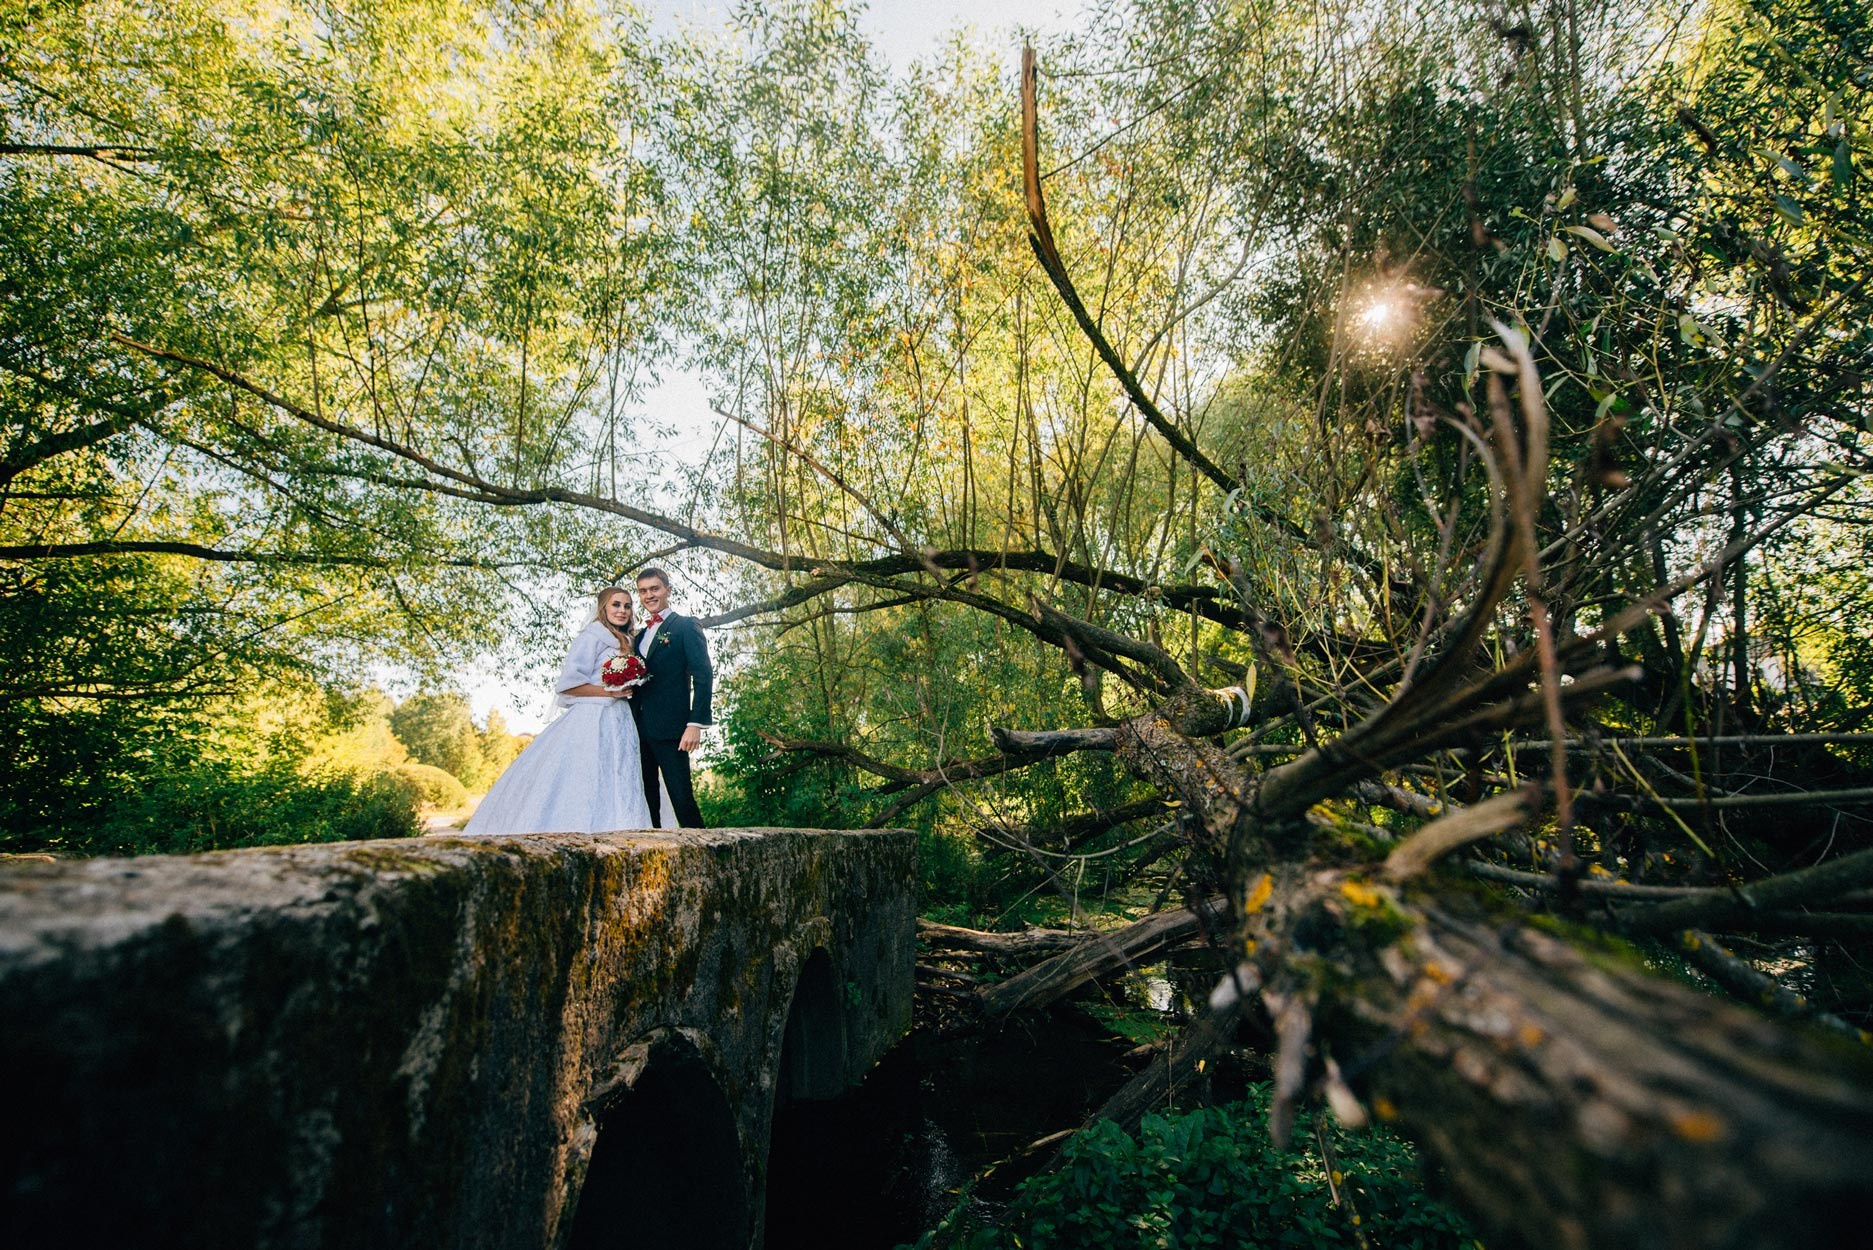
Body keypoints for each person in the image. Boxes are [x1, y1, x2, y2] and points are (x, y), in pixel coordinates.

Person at [463, 587, 652, 834]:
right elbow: (568, 685)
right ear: (603, 608)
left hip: (621, 718)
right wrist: (609, 692)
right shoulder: (591, 637)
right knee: (587, 775)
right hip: (593, 718)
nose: (622, 611)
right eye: (616, 605)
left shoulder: (627, 640)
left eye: (627, 606)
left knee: (620, 773)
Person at [630, 567, 713, 828]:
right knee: (647, 801)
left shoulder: (685, 626)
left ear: (668, 590)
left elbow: (703, 675)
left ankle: (707, 857)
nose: (649, 595)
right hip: (638, 729)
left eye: (654, 589)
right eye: (643, 591)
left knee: (682, 799)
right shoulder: (639, 636)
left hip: (673, 730)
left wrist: (695, 723)